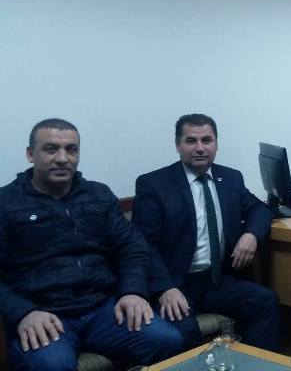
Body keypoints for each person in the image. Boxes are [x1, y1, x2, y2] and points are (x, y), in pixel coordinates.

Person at [0, 118, 183, 371]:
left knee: (168, 340)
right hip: (44, 313)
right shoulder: (6, 203)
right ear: (30, 154)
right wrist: (22, 312)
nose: (62, 158)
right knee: (53, 365)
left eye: (71, 149)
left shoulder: (99, 195)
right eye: (51, 149)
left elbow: (131, 248)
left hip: (103, 308)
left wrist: (132, 291)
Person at [132, 114, 279, 350]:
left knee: (265, 301)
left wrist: (251, 235)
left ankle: (257, 364)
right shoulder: (154, 184)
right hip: (176, 283)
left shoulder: (230, 178)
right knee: (183, 333)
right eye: (191, 141)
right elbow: (144, 244)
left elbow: (260, 210)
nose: (200, 148)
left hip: (216, 281)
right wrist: (165, 288)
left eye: (207, 140)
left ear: (216, 145)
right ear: (178, 145)